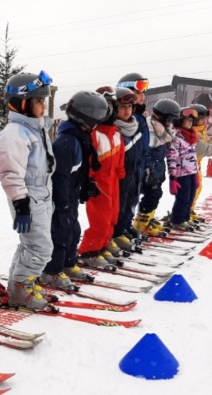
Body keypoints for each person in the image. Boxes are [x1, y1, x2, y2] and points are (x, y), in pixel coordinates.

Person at [0, 71, 56, 310]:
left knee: (30, 244)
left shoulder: (34, 129)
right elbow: (10, 174)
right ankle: (21, 288)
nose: (43, 106)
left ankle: (19, 284)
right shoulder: (14, 134)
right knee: (41, 248)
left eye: (43, 100)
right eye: (38, 101)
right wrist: (21, 205)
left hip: (41, 195)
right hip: (27, 198)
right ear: (22, 104)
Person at [40, 91, 108, 287]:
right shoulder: (66, 142)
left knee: (73, 229)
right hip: (61, 195)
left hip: (72, 191)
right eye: (95, 115)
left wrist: (86, 186)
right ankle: (51, 271)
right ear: (84, 115)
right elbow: (59, 175)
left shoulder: (80, 137)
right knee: (60, 232)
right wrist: (62, 203)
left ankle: (68, 263)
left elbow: (81, 169)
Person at [77, 87, 125, 270]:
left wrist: (120, 170)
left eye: (113, 107)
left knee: (113, 215)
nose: (110, 112)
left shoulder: (116, 133)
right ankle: (90, 250)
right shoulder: (94, 134)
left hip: (112, 180)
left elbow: (120, 154)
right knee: (101, 218)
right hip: (99, 181)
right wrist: (88, 179)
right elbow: (88, 159)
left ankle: (102, 245)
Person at [108, 87, 145, 261]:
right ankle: (113, 234)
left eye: (129, 107)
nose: (126, 111)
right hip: (118, 176)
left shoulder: (134, 126)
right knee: (117, 207)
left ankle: (121, 230)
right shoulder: (114, 128)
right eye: (122, 107)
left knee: (129, 203)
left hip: (133, 172)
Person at [133, 98, 180, 236]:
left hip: (157, 170)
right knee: (151, 196)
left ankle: (148, 219)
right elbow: (145, 152)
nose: (171, 122)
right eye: (170, 118)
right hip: (148, 171)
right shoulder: (149, 128)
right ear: (162, 115)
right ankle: (140, 223)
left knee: (156, 194)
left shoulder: (163, 129)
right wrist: (148, 169)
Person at [115, 72, 151, 246]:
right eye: (139, 93)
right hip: (127, 167)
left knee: (132, 200)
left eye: (143, 93)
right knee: (123, 201)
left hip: (138, 165)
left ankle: (125, 226)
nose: (143, 96)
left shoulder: (140, 117)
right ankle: (117, 230)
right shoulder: (128, 118)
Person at [166, 107, 200, 229]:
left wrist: (196, 174)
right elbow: (171, 158)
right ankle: (177, 219)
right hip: (181, 173)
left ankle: (186, 217)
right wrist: (172, 177)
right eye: (187, 120)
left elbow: (193, 157)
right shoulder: (177, 138)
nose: (190, 122)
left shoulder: (192, 137)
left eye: (191, 120)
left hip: (191, 172)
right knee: (183, 197)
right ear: (180, 120)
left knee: (191, 196)